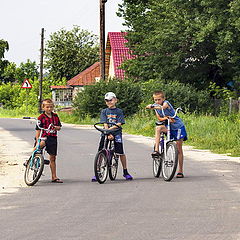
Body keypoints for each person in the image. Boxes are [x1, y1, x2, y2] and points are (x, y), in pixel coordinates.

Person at [92, 92, 133, 181]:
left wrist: (111, 131)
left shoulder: (119, 111)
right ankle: (98, 171)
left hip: (116, 132)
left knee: (120, 152)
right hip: (106, 132)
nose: (109, 102)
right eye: (107, 101)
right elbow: (105, 123)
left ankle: (125, 171)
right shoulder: (104, 111)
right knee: (101, 150)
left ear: (115, 100)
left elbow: (119, 123)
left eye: (110, 100)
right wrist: (107, 132)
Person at [146, 91, 187, 178]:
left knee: (179, 148)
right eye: (155, 100)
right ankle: (156, 150)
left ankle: (180, 170)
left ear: (163, 99)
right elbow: (159, 118)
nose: (157, 101)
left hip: (177, 127)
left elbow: (163, 107)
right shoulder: (156, 107)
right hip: (168, 126)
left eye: (159, 99)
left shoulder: (165, 103)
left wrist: (152, 106)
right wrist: (166, 118)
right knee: (158, 128)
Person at [25, 99, 63, 183]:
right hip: (43, 137)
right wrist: (38, 139)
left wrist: (55, 127)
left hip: (52, 138)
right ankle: (29, 160)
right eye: (47, 107)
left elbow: (59, 127)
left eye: (51, 107)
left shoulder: (55, 116)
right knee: (38, 146)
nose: (49, 109)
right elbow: (38, 130)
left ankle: (54, 176)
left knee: (52, 157)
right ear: (43, 107)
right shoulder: (41, 117)